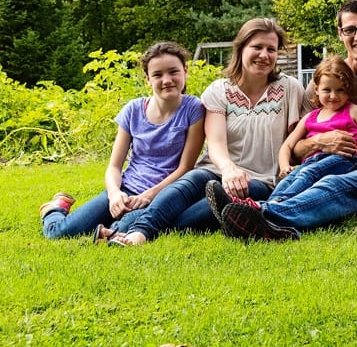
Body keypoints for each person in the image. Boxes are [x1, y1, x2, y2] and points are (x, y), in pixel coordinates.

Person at [215, 0, 357, 240]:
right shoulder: (325, 82)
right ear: (340, 34)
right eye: (350, 30)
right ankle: (255, 213)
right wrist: (320, 143)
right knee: (311, 176)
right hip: (324, 161)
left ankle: (261, 214)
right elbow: (295, 147)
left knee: (330, 185)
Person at [104, 18, 307, 245]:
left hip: (259, 179)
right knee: (188, 184)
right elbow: (216, 142)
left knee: (189, 218)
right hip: (214, 170)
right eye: (257, 47)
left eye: (271, 49)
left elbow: (305, 132)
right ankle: (138, 234)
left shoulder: (291, 88)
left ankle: (120, 229)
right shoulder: (219, 90)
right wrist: (229, 169)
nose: (264, 55)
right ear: (241, 49)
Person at [39, 42, 205, 240]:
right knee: (58, 233)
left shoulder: (193, 108)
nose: (167, 80)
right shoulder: (133, 110)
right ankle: (55, 209)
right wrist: (114, 194)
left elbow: (185, 168)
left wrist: (149, 195)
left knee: (124, 227)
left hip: (162, 196)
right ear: (148, 80)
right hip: (127, 189)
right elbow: (114, 167)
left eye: (173, 72)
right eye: (158, 75)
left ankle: (104, 233)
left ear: (185, 71)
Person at [271, 55, 357, 197]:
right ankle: (263, 206)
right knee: (290, 178)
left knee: (307, 172)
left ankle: (278, 202)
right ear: (316, 89)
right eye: (327, 90)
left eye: (340, 90)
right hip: (311, 162)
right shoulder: (310, 118)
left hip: (345, 159)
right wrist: (285, 165)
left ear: (348, 89)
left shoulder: (353, 111)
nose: (333, 96)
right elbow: (287, 146)